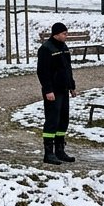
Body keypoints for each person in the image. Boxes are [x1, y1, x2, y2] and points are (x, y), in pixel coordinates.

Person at [36, 22, 77, 165]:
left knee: (63, 120)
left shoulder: (64, 47)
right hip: (53, 91)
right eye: (64, 34)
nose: (66, 36)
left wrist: (72, 86)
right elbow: (42, 72)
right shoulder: (46, 49)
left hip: (64, 89)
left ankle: (60, 150)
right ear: (56, 34)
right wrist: (48, 90)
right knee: (52, 120)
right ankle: (49, 153)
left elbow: (67, 68)